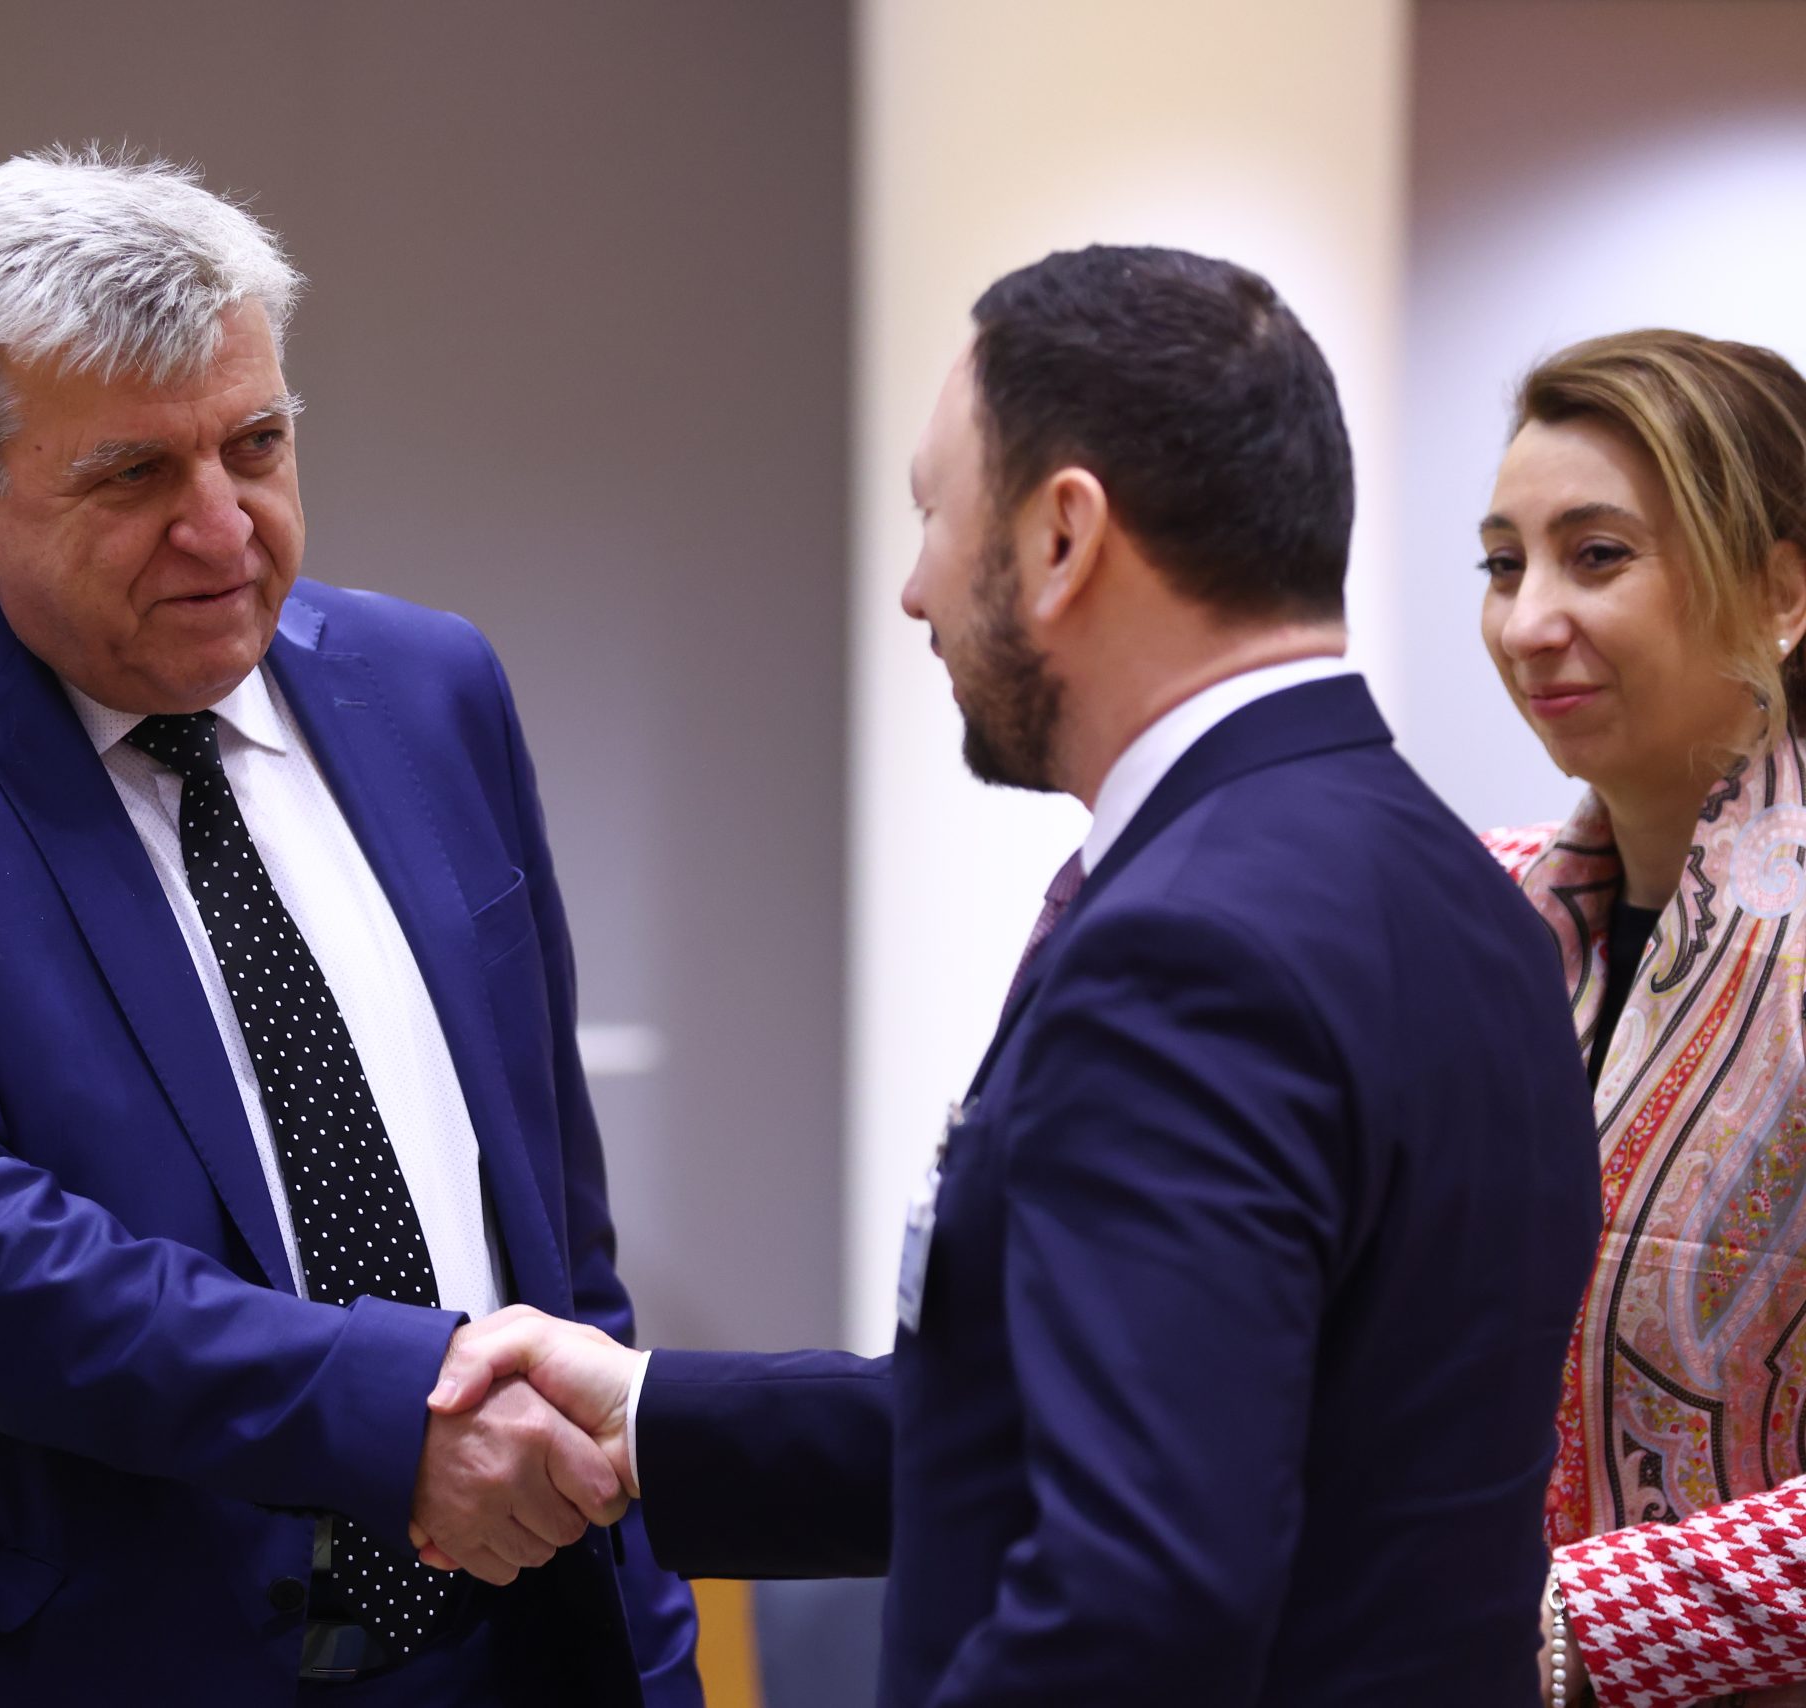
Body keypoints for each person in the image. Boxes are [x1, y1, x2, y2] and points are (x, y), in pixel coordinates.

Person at [427, 245, 1604, 1706]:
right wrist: (651, 1414)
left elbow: (1134, 1601)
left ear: (1062, 536)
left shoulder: (1188, 955)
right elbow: (1150, 1432)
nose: (916, 589)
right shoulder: (1470, 898)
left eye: (935, 511)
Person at [0, 146, 700, 1706]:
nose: (224, 530)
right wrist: (394, 1419)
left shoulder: (433, 687)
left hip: (518, 1641)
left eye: (257, 445)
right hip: (112, 1660)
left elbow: (552, 1217)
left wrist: (642, 1625)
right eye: (133, 477)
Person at [1476, 329, 1806, 1708]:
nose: (1527, 621)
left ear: (1780, 592)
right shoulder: (1479, 920)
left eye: (1597, 556)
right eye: (1504, 566)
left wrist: (1568, 1625)